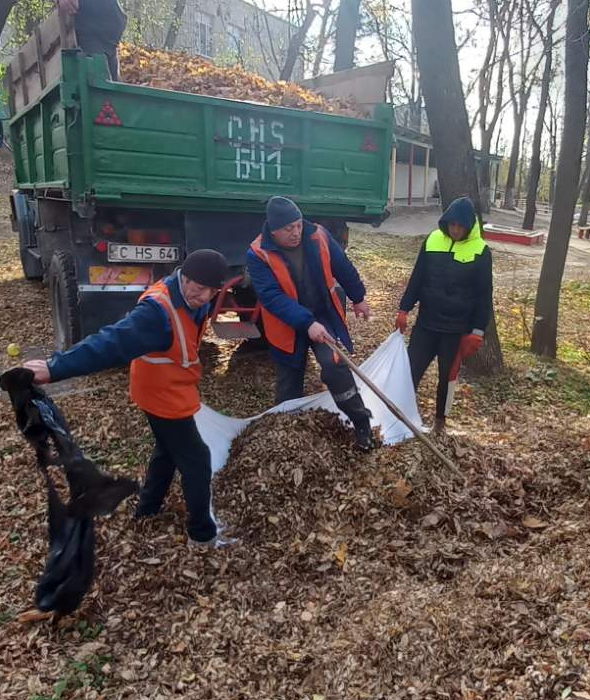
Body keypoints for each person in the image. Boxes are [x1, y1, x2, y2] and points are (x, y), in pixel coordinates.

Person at [21, 250, 228, 548]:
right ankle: (203, 535)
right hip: (163, 398)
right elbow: (109, 343)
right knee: (197, 460)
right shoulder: (157, 312)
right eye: (200, 288)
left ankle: (147, 509)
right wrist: (55, 368)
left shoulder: (194, 300)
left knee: (167, 451)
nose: (205, 297)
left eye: (213, 291)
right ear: (184, 277)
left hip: (171, 390)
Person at [247, 197, 375, 450]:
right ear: (273, 230)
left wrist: (359, 297)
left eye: (298, 225)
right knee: (289, 380)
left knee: (334, 366)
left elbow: (343, 267)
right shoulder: (258, 253)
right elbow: (272, 298)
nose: (296, 232)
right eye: (288, 229)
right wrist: (307, 323)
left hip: (322, 315)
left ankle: (361, 423)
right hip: (287, 325)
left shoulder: (319, 236)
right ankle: (288, 435)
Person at [395, 197, 493, 429]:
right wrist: (404, 308)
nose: (455, 230)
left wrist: (477, 331)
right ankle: (400, 414)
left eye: (460, 226)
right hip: (426, 324)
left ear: (469, 226)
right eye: (452, 224)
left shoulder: (481, 251)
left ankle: (440, 421)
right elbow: (418, 278)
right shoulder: (432, 241)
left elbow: (484, 295)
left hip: (456, 330)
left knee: (446, 377)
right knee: (410, 369)